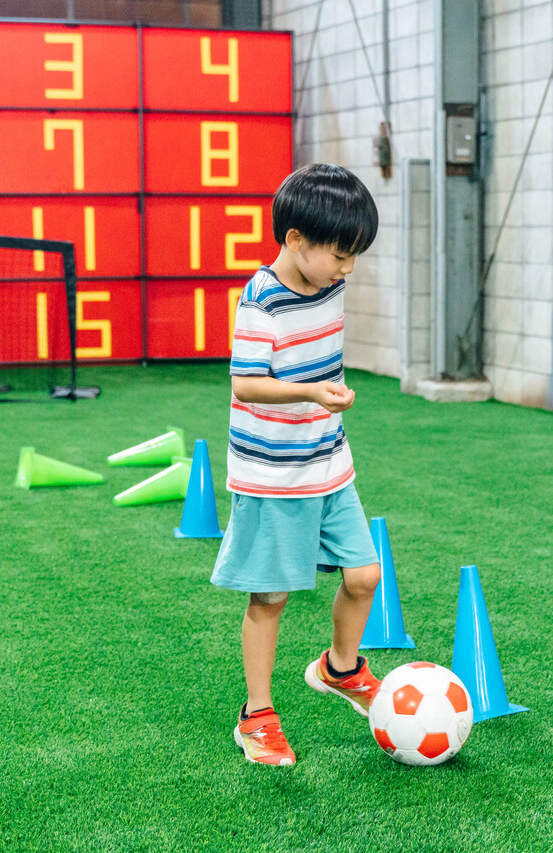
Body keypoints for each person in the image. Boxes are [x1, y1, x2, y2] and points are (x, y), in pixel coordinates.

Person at [213, 163, 384, 765]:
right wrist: (312, 392)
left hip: (329, 460)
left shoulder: (330, 283)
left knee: (364, 576)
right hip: (272, 474)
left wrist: (326, 397)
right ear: (295, 241)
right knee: (271, 598)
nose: (348, 268)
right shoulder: (261, 301)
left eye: (354, 255)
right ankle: (256, 716)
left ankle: (340, 669)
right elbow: (246, 386)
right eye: (341, 254)